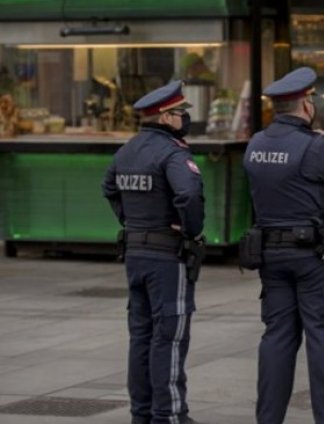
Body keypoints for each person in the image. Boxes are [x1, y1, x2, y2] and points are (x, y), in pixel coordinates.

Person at [243, 67, 324, 424]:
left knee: (277, 339)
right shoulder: (316, 147)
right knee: (322, 340)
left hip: (271, 255)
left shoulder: (255, 145)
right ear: (306, 104)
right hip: (315, 258)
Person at [102, 80, 206, 424]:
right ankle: (170, 415)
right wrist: (189, 229)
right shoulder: (173, 153)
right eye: (180, 113)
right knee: (170, 336)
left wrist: (130, 220)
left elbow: (109, 187)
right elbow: (189, 195)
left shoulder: (127, 150)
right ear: (165, 117)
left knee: (141, 336)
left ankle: (141, 414)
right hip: (167, 257)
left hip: (135, 253)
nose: (184, 118)